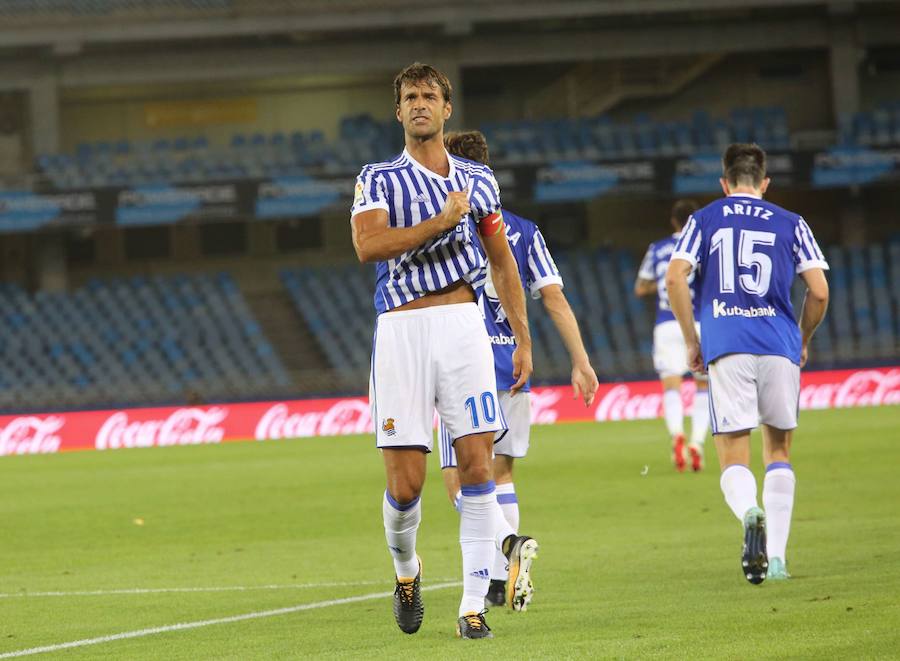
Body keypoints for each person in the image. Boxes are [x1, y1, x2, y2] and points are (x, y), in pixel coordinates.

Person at [350, 63, 538, 640]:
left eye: (430, 95)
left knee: (478, 466)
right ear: (399, 110)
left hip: (464, 326)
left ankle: (473, 604)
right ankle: (407, 570)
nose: (420, 104)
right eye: (410, 97)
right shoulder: (377, 178)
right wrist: (439, 221)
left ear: (447, 108)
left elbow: (502, 260)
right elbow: (368, 245)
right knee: (406, 487)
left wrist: (523, 336)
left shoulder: (480, 181)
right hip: (402, 331)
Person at [437, 130, 598, 610]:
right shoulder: (524, 230)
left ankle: (508, 545)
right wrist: (581, 361)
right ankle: (496, 576)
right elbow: (553, 297)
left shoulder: (446, 224)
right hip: (513, 364)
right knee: (501, 473)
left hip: (464, 362)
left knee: (460, 480)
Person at [665, 143, 829, 584]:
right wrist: (803, 339)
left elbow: (674, 276)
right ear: (764, 182)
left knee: (733, 455)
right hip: (779, 343)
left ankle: (749, 510)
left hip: (727, 343)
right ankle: (776, 559)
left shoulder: (705, 218)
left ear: (724, 183)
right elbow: (819, 291)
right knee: (778, 451)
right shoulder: (792, 222)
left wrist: (691, 339)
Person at [635, 200, 710, 471]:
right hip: (699, 321)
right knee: (703, 386)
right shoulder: (703, 247)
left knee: (671, 385)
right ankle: (697, 442)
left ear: (673, 221)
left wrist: (664, 284)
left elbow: (640, 288)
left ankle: (677, 432)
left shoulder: (657, 249)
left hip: (667, 323)